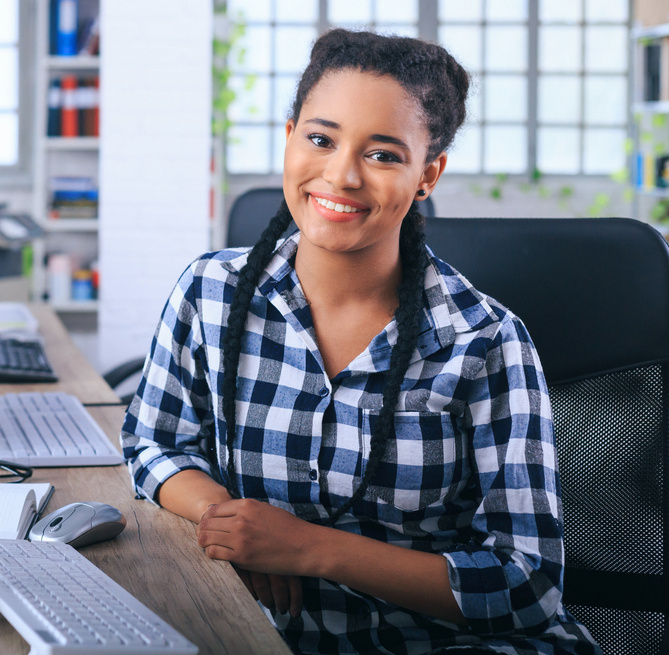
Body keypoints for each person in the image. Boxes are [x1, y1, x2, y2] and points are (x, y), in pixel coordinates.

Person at [120, 28, 601, 655]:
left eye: (383, 155)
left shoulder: (483, 342)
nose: (341, 174)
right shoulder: (211, 289)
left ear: (427, 175)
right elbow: (154, 441)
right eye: (320, 139)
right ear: (289, 138)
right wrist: (234, 525)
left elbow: (527, 585)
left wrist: (309, 550)